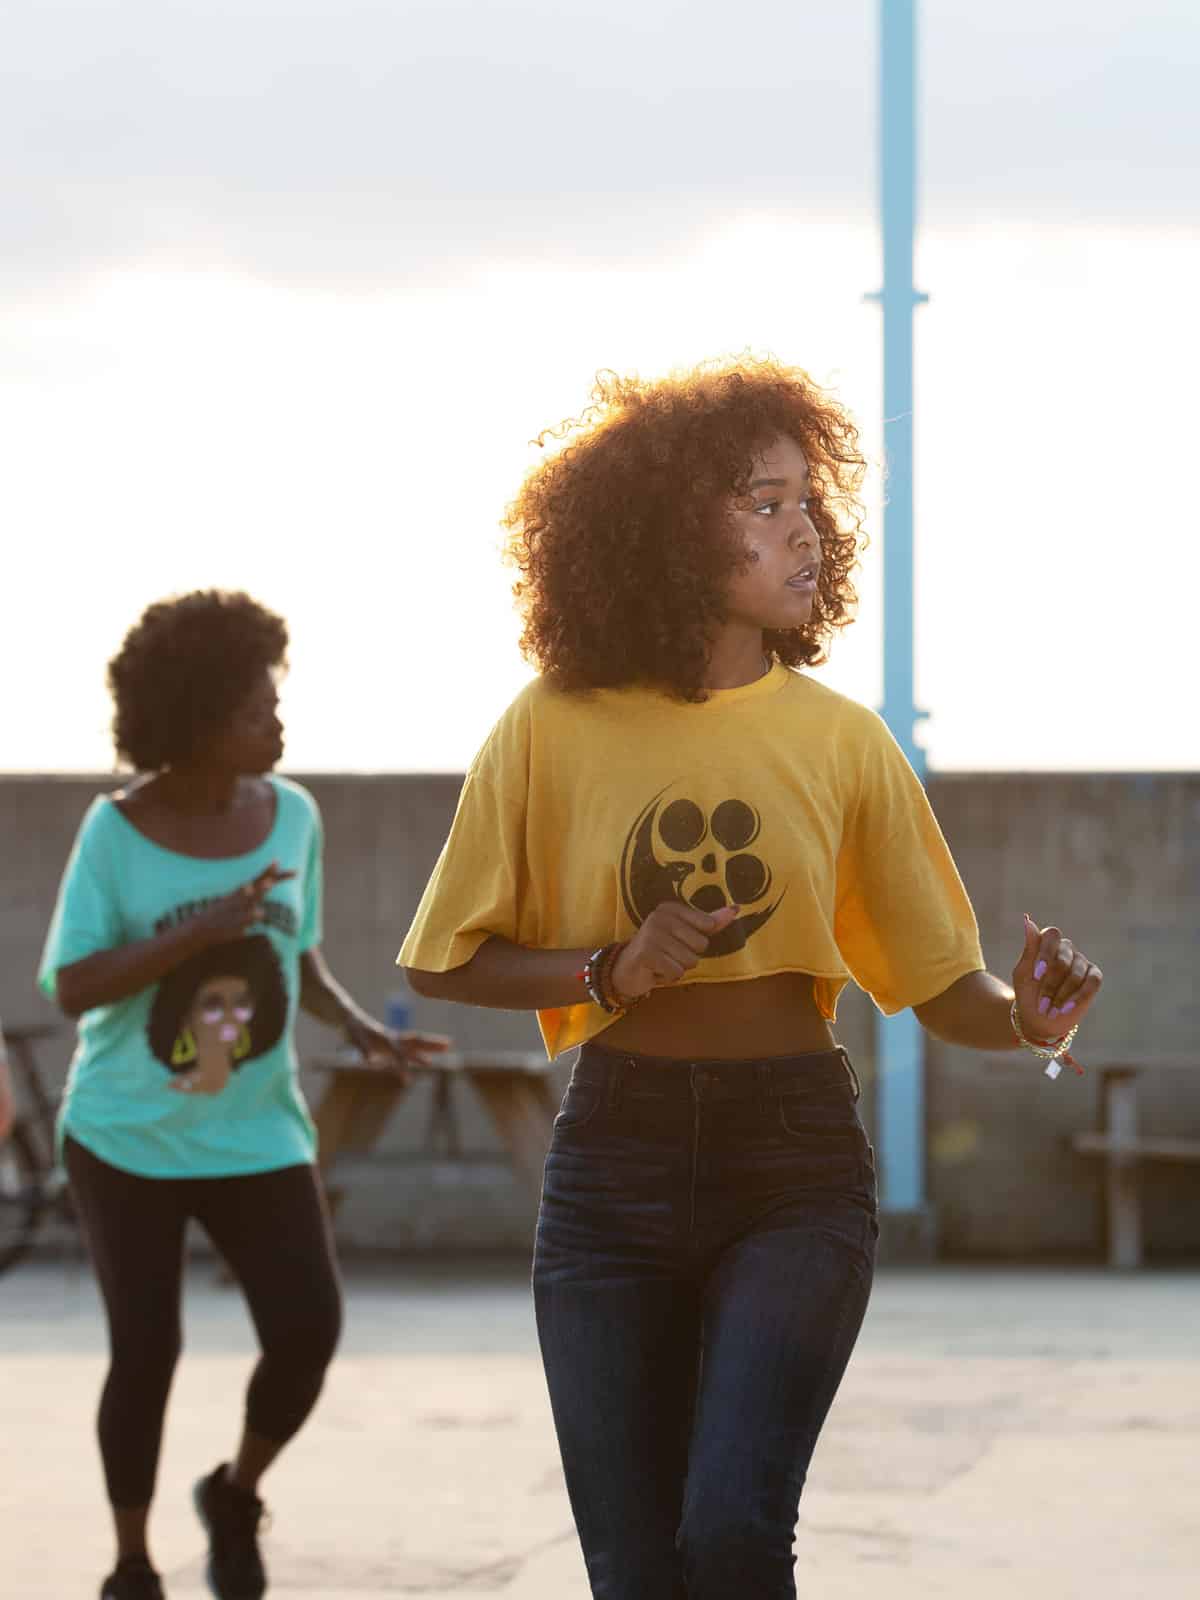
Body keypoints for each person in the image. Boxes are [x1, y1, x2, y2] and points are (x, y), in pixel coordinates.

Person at [398, 358, 1103, 1600]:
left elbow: (943, 982)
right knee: (632, 1569)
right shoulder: (549, 724)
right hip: (612, 1166)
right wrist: (610, 967)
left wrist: (1026, 1015)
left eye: (806, 500)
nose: (805, 529)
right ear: (669, 532)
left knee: (730, 1531)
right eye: (763, 502)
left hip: (794, 1165)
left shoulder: (841, 739)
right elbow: (448, 959)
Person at [39, 590, 447, 1600]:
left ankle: (234, 1490)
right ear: (191, 721)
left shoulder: (292, 814)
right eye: (257, 706)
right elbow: (73, 983)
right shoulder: (115, 832)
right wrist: (197, 929)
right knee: (148, 1350)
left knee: (307, 1329)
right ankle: (132, 1563)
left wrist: (353, 1026)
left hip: (255, 1132)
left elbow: (294, 952)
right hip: (125, 1133)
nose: (278, 721)